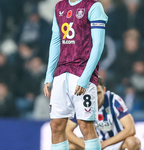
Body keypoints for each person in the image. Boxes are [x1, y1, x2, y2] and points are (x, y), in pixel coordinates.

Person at [43, 0, 108, 149]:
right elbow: (55, 41)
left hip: (82, 72)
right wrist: (49, 76)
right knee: (56, 125)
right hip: (61, 73)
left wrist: (85, 78)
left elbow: (98, 45)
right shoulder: (59, 6)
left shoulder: (93, 6)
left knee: (85, 125)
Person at [66, 77, 141, 150]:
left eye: (98, 93)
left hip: (116, 144)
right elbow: (67, 130)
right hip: (94, 144)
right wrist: (85, 145)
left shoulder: (114, 100)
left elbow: (131, 129)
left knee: (133, 142)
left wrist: (103, 144)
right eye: (92, 93)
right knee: (69, 146)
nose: (96, 97)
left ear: (104, 90)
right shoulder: (82, 103)